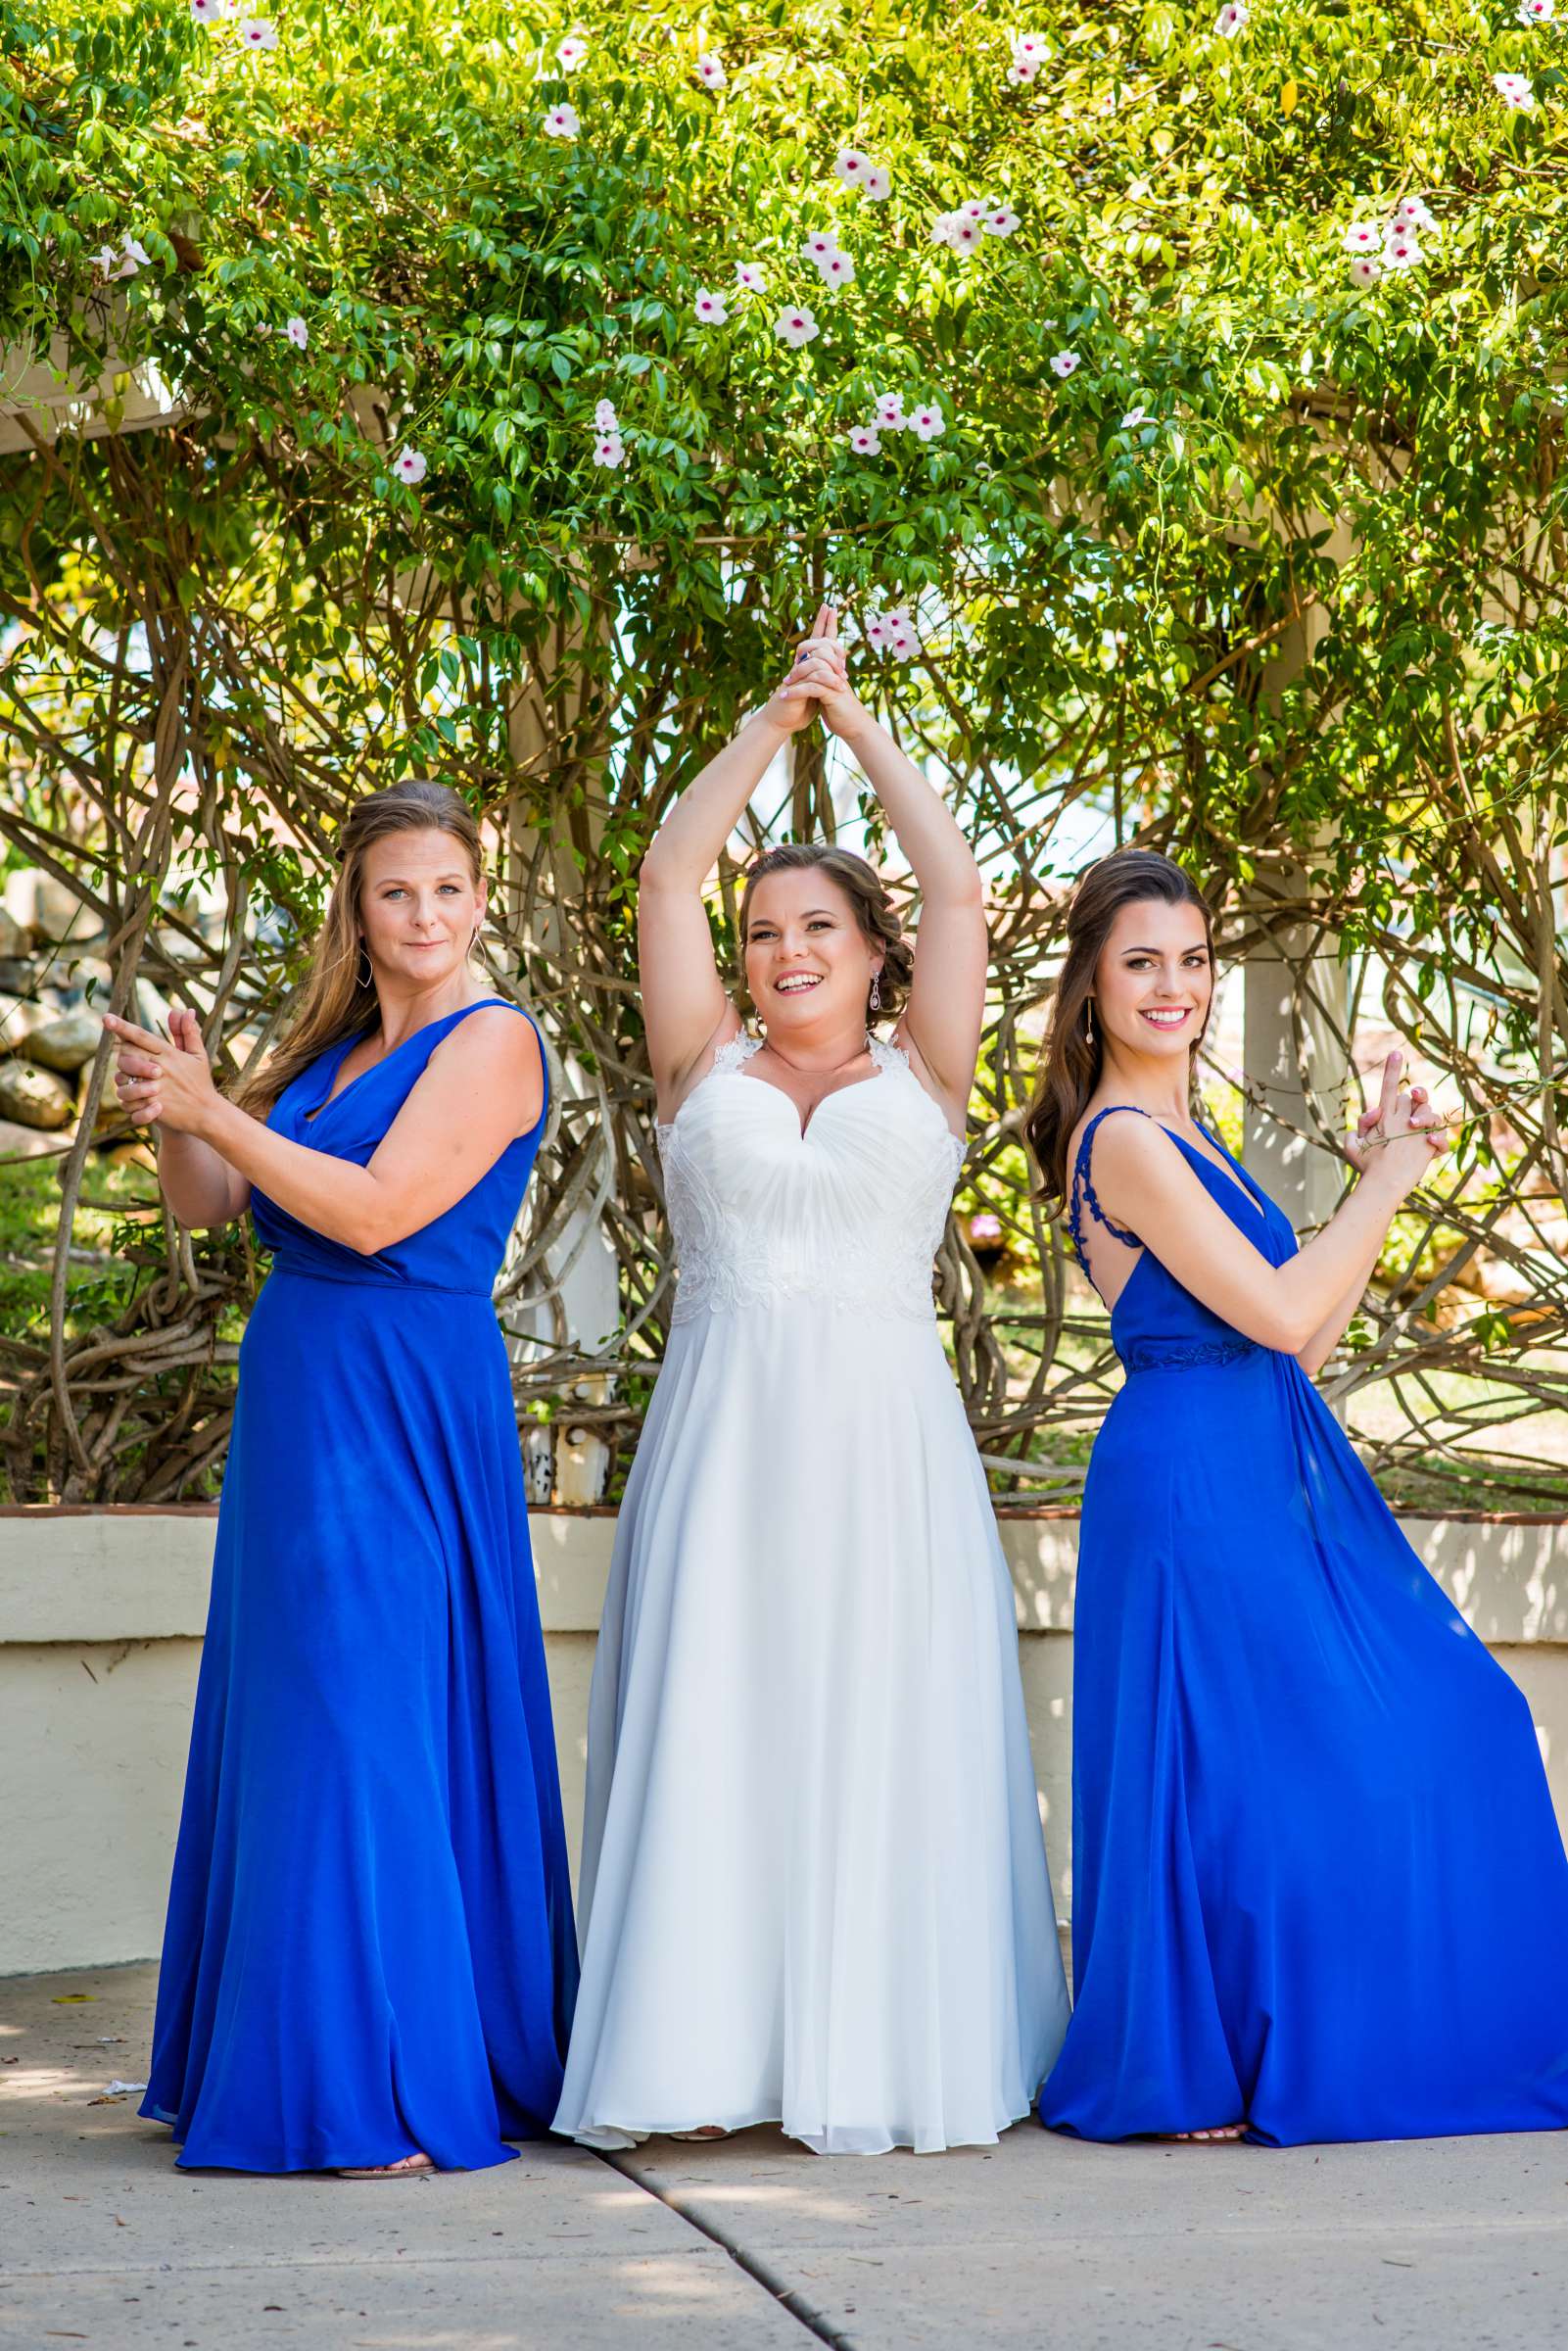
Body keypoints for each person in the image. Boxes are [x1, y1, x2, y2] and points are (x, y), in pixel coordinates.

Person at [552, 607, 1068, 2155]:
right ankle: (695, 2052)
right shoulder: (696, 1062)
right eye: (764, 929)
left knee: (874, 1717)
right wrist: (771, 719)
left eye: (817, 929)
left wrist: (855, 729)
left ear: (873, 954)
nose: (783, 951)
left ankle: (875, 2051)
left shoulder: (926, 1074)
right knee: (721, 1715)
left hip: (881, 1448)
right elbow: (662, 873)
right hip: (721, 1441)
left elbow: (963, 883)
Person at [1028, 845, 1568, 2145]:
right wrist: (1384, 1180)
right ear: (1092, 987)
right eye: (1140, 962)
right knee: (1239, 1769)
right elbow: (1276, 1308)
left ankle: (1245, 2046)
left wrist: (1373, 1182)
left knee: (1438, 1725)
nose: (1174, 986)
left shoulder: (1187, 1134)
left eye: (1193, 960)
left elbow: (1297, 1346)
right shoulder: (1122, 1136)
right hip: (1194, 1482)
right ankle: (1186, 2066)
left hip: (1258, 1457)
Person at [104, 780, 578, 2175]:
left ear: (477, 898)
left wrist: (223, 1111)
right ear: (357, 913)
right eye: (396, 892)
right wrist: (179, 1109)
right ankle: (307, 2060)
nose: (426, 915)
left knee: (368, 1712)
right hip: (302, 1408)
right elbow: (208, 1204)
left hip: (404, 1398)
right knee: (306, 1714)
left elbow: (374, 1215)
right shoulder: (330, 1052)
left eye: (448, 888)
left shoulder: (493, 1043)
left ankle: (382, 2083)